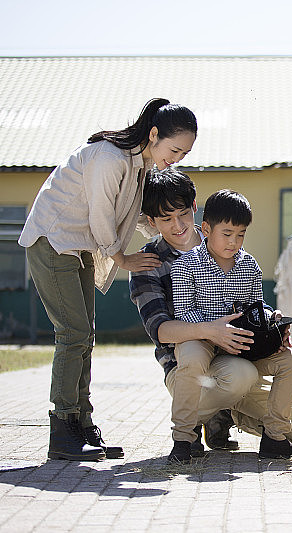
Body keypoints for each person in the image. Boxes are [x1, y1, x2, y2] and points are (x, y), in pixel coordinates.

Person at [18, 98, 197, 461]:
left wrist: (183, 234)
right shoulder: (110, 158)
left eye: (185, 153)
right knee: (73, 333)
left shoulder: (139, 167)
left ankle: (82, 425)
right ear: (153, 134)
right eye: (174, 149)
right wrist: (123, 258)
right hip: (53, 241)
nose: (177, 158)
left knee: (85, 335)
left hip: (78, 247)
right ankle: (63, 430)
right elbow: (103, 217)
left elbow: (136, 216)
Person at [133, 175, 292, 463]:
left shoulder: (246, 262)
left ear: (195, 209)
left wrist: (271, 323)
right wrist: (213, 332)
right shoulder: (155, 262)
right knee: (232, 372)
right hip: (196, 365)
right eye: (167, 219)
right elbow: (162, 329)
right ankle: (188, 432)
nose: (178, 225)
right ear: (152, 221)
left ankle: (265, 431)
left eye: (183, 214)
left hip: (241, 353)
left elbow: (255, 305)